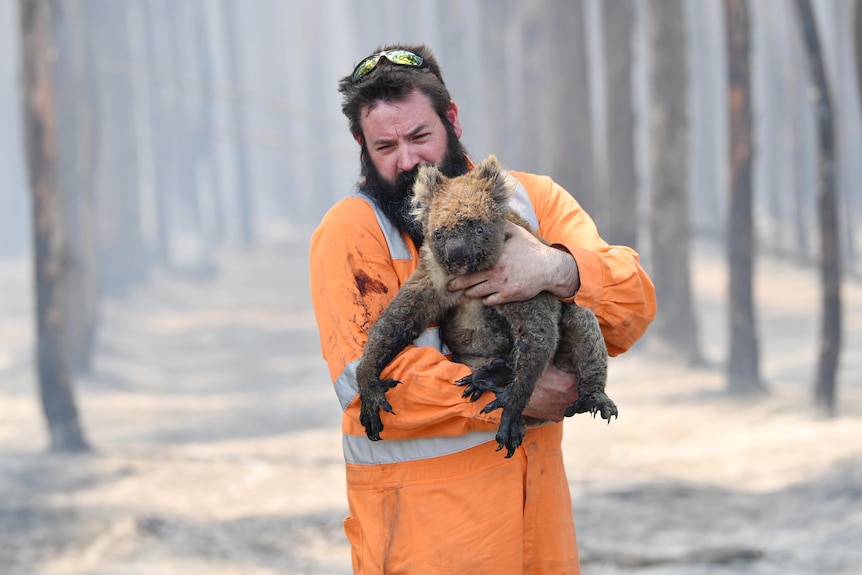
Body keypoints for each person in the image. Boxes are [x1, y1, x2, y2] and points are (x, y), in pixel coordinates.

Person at [310, 43, 656, 575]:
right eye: (385, 145)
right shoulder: (352, 232)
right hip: (423, 546)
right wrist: (506, 394)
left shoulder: (529, 200)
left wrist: (556, 269)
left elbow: (632, 305)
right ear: (361, 145)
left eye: (420, 136)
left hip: (538, 536)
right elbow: (364, 381)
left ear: (451, 119)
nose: (407, 160)